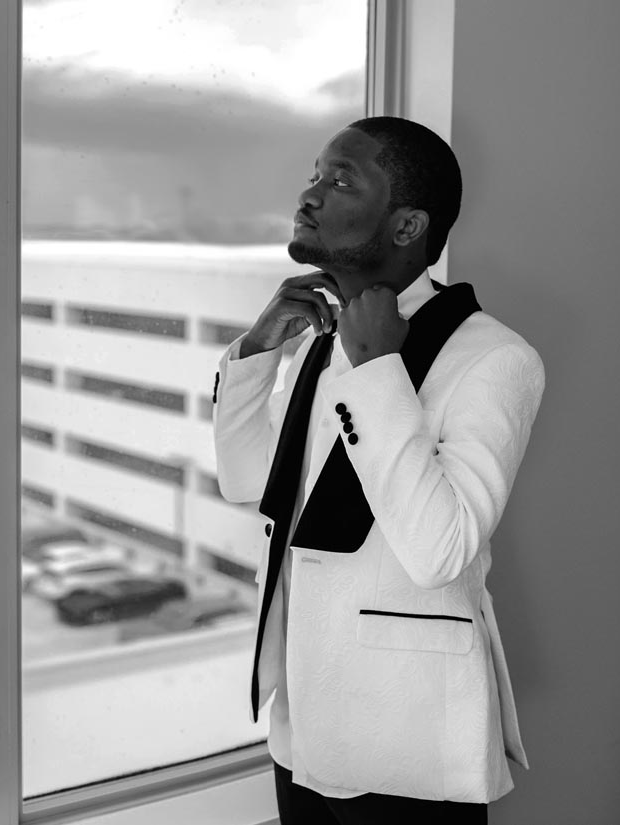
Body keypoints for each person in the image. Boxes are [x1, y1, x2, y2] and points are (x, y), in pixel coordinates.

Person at [212, 116, 545, 824]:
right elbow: (247, 482)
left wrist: (379, 371)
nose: (309, 195)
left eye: (339, 180)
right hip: (301, 728)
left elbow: (441, 549)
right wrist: (256, 352)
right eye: (314, 173)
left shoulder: (495, 358)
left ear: (405, 227)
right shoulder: (315, 342)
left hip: (410, 742)